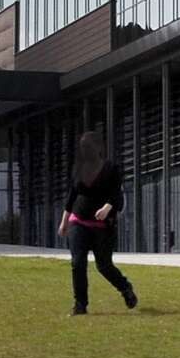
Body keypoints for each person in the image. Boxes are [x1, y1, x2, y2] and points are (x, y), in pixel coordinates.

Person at [58, 131, 138, 315]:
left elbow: (117, 195)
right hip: (78, 221)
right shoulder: (78, 168)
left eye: (89, 147)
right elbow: (71, 196)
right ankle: (80, 304)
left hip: (102, 226)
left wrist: (107, 208)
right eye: (83, 147)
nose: (85, 150)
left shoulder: (111, 169)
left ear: (98, 148)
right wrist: (64, 222)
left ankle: (125, 288)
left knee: (104, 266)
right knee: (78, 262)